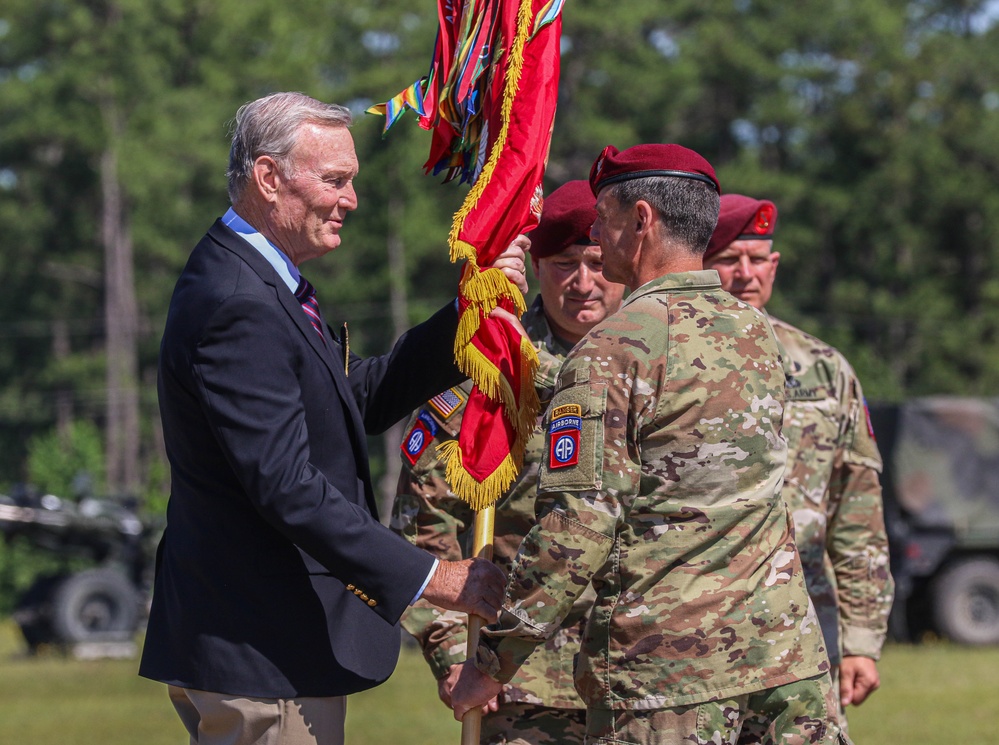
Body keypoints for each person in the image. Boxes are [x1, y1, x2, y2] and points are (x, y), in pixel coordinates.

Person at [138, 91, 519, 745]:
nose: (351, 200)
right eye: (335, 180)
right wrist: (434, 576)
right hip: (261, 647)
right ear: (268, 177)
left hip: (261, 641)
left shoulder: (256, 279)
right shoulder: (240, 301)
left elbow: (351, 399)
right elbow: (286, 485)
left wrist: (468, 319)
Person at [448, 143, 848, 744]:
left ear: (640, 220)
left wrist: (491, 663)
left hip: (669, 679)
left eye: (602, 220)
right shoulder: (757, 334)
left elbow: (577, 526)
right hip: (784, 659)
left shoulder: (612, 350)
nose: (597, 236)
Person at [392, 179, 626, 744]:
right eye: (564, 263)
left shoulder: (653, 365)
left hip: (641, 675)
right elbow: (423, 522)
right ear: (537, 266)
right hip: (523, 683)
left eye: (597, 262)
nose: (583, 283)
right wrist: (453, 650)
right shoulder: (490, 372)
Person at [702, 193, 894, 718]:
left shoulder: (824, 369)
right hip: (699, 630)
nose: (745, 273)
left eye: (757, 258)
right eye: (728, 259)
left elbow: (857, 512)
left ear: (775, 265)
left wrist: (861, 638)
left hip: (806, 629)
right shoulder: (672, 360)